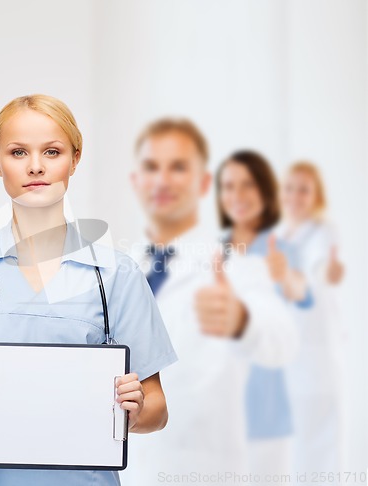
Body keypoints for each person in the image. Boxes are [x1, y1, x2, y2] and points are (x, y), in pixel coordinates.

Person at [0, 94, 178, 486]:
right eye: (17, 152)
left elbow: (157, 411)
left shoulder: (116, 274)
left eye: (52, 151)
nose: (36, 166)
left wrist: (135, 409)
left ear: (75, 159)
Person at [119, 118, 298, 486]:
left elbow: (283, 341)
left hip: (201, 469)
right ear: (135, 180)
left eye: (178, 167)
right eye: (152, 167)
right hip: (128, 468)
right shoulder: (118, 270)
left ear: (203, 182)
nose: (163, 180)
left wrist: (242, 321)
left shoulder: (236, 266)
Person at [215, 150, 313, 484]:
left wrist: (286, 279)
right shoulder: (212, 250)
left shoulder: (280, 250)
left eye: (248, 185)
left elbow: (302, 294)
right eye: (228, 186)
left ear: (265, 191)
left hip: (266, 409)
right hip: (217, 410)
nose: (237, 196)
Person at [275, 161, 346, 481]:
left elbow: (322, 270)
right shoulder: (277, 235)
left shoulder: (322, 231)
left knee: (320, 447)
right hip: (286, 358)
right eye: (290, 187)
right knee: (293, 449)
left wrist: (325, 274)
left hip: (316, 358)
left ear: (316, 195)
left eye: (304, 189)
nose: (295, 196)